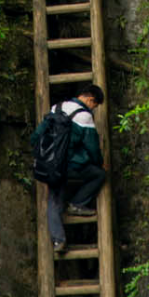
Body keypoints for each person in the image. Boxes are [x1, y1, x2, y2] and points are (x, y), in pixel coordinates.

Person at [30, 84, 107, 253]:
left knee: (54, 199)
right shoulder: (84, 116)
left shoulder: (56, 108)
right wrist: (99, 162)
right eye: (95, 105)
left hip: (49, 166)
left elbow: (36, 136)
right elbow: (92, 147)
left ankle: (59, 241)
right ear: (89, 99)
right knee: (99, 175)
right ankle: (77, 203)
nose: (94, 109)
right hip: (70, 167)